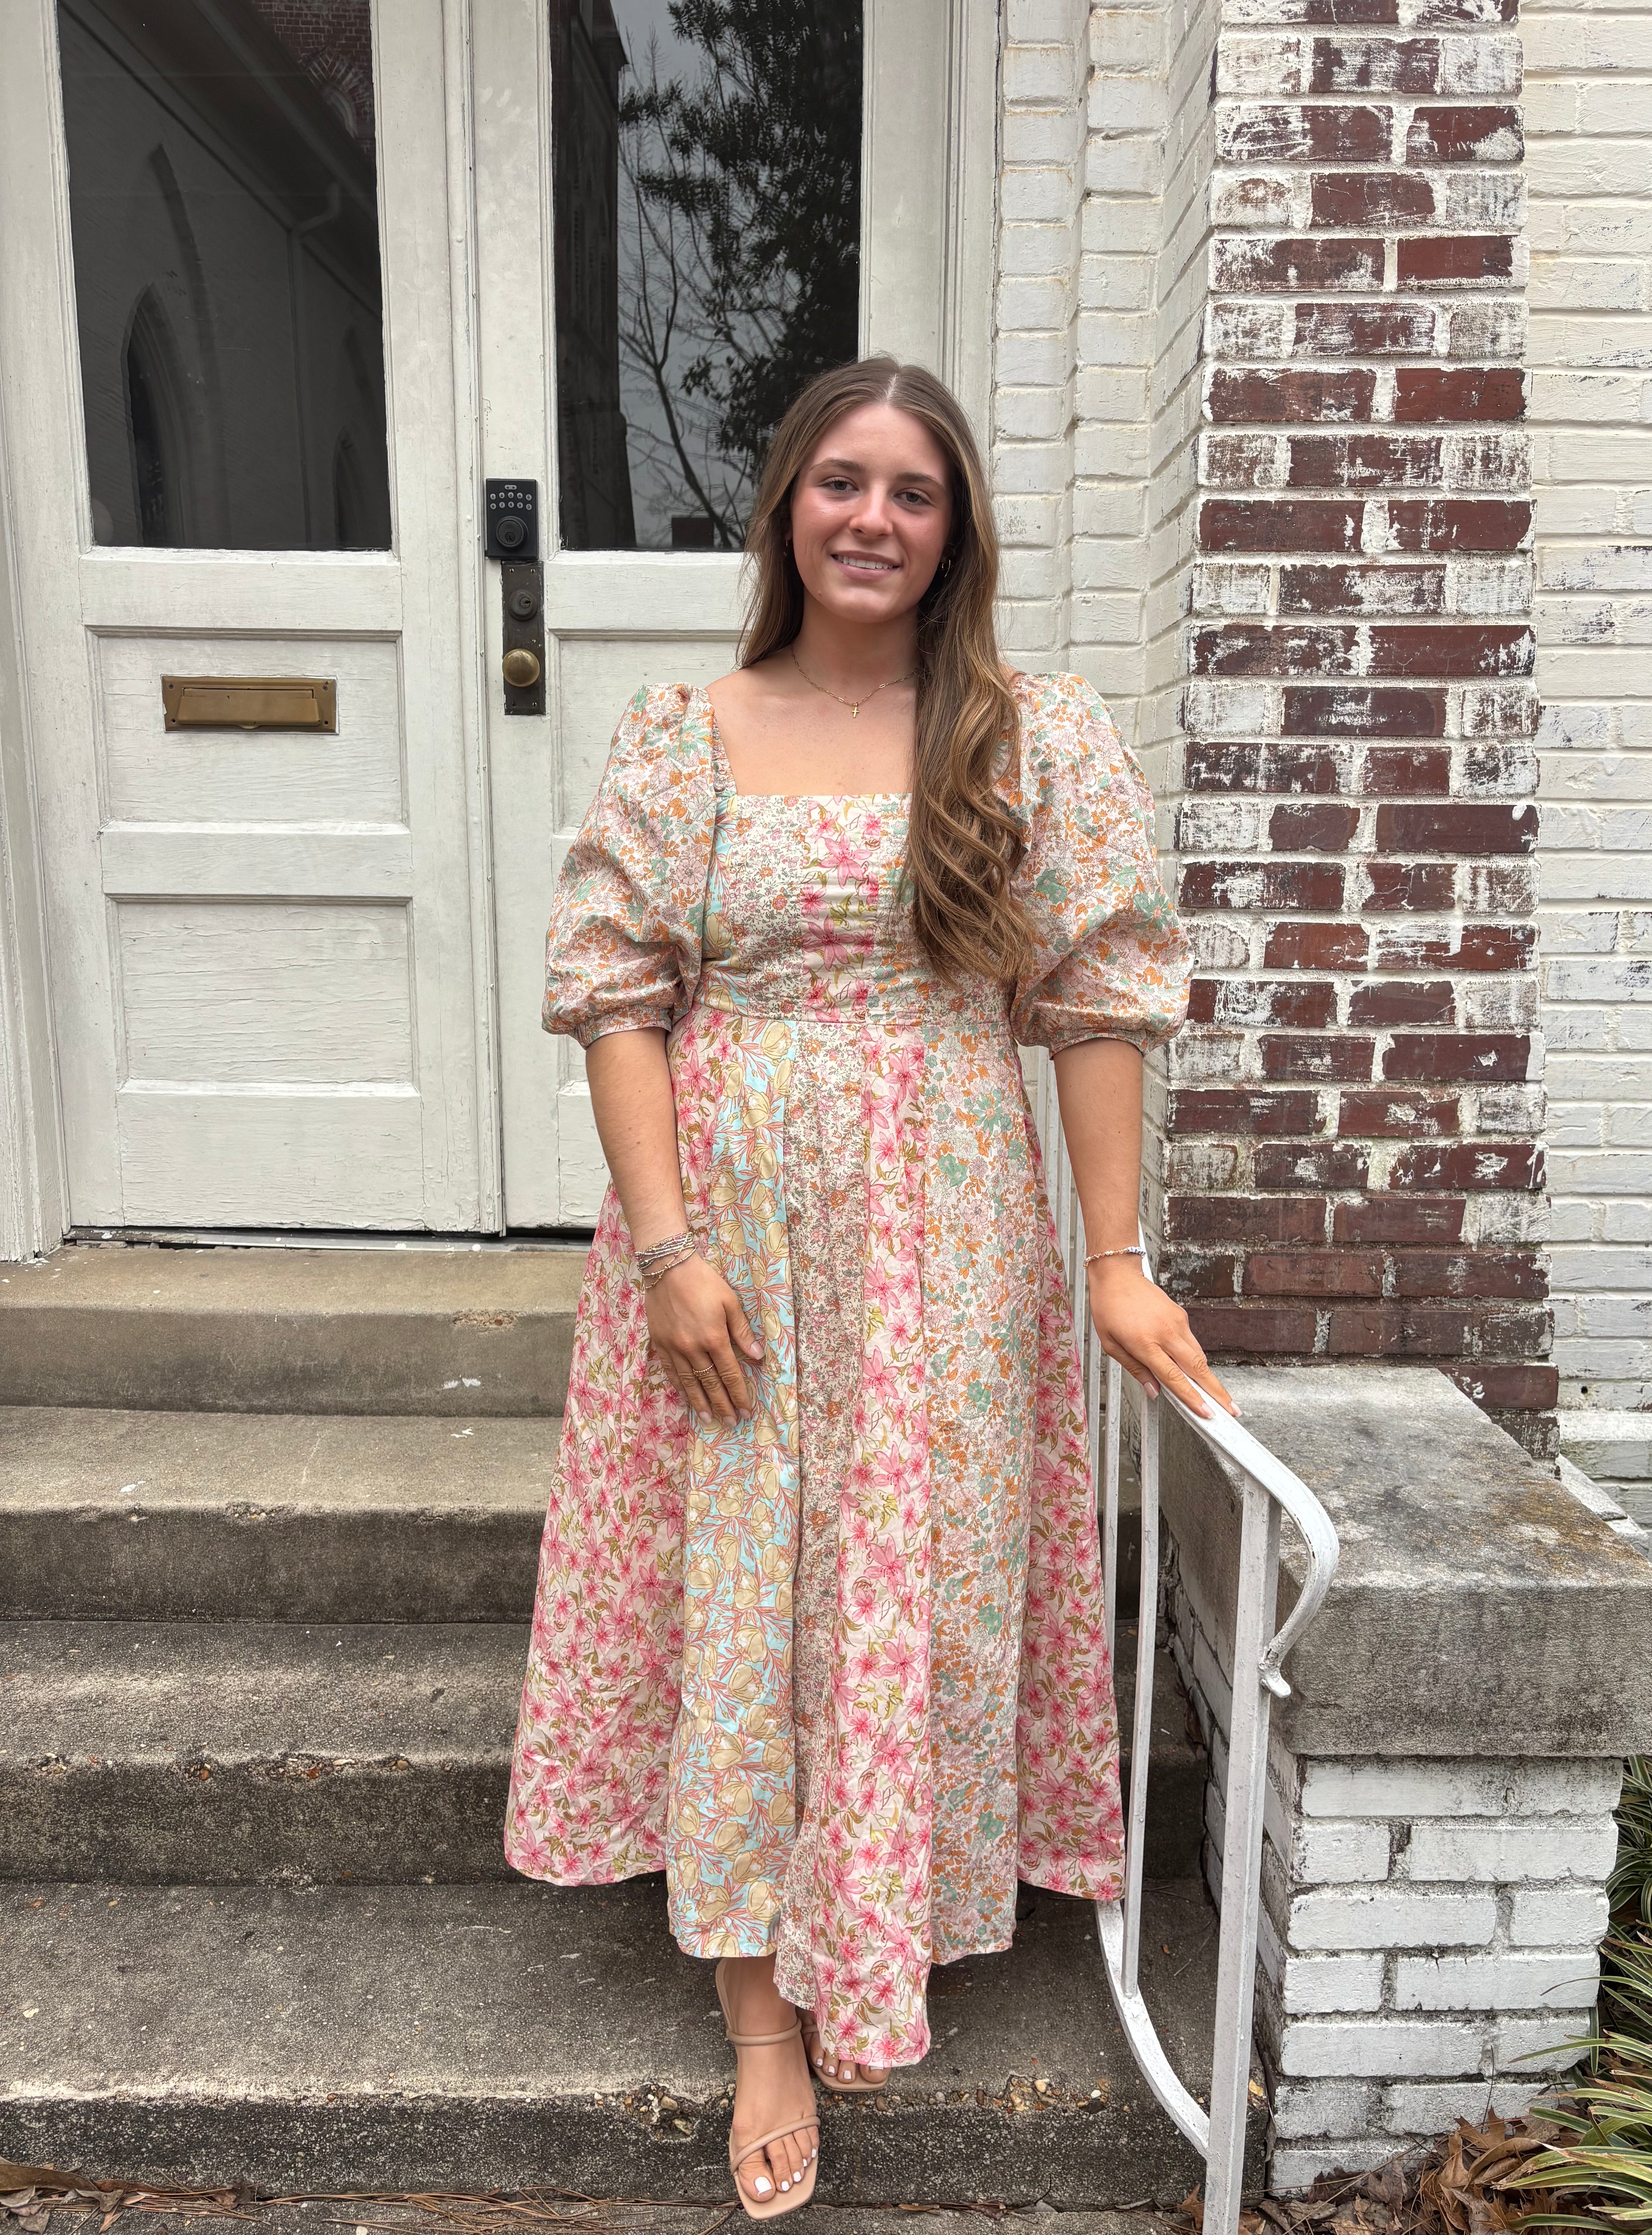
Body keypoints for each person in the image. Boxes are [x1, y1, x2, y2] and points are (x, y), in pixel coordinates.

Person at [504, 356, 1231, 2218]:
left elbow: (1094, 999)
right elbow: (616, 1000)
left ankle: (878, 1912)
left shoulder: (1028, 732)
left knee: (903, 1567)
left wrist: (1120, 1263)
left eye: (914, 491)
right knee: (749, 1577)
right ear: (785, 505)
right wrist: (670, 1248)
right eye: (843, 480)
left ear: (954, 527)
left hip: (953, 1237)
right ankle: (762, 2004)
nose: (875, 518)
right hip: (730, 1223)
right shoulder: (686, 729)